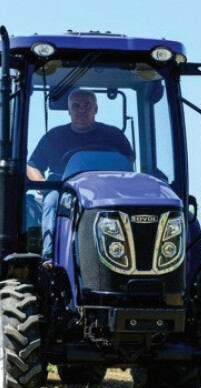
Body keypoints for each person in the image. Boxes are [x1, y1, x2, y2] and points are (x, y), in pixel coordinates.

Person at [26, 89, 134, 265]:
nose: (81, 110)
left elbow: (127, 162)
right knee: (52, 201)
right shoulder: (54, 136)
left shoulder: (114, 136)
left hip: (106, 188)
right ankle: (50, 257)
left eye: (87, 106)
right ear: (69, 110)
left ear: (96, 109)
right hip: (63, 188)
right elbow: (32, 165)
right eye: (76, 106)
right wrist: (41, 184)